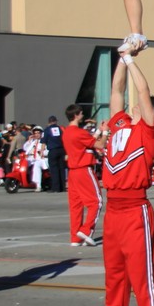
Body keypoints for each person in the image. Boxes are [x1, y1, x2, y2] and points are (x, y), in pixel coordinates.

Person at [87, 53, 154, 306]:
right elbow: (116, 90)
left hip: (136, 210)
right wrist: (121, 59)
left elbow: (142, 91)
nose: (134, 104)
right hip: (113, 211)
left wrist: (133, 61)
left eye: (143, 105)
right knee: (115, 279)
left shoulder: (149, 131)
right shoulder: (120, 123)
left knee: (143, 280)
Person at [63, 104, 103, 247]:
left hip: (73, 171)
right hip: (84, 169)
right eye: (81, 113)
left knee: (76, 205)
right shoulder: (79, 132)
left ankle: (75, 238)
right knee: (96, 202)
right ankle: (86, 230)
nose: (83, 115)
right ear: (76, 115)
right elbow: (99, 145)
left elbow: (87, 142)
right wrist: (104, 132)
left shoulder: (66, 132)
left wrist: (98, 131)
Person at [43, 115, 67, 193]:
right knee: (61, 168)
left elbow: (44, 142)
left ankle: (55, 188)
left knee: (54, 169)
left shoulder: (47, 130)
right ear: (56, 121)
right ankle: (62, 187)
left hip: (53, 150)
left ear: (49, 122)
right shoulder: (60, 129)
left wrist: (41, 151)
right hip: (61, 150)